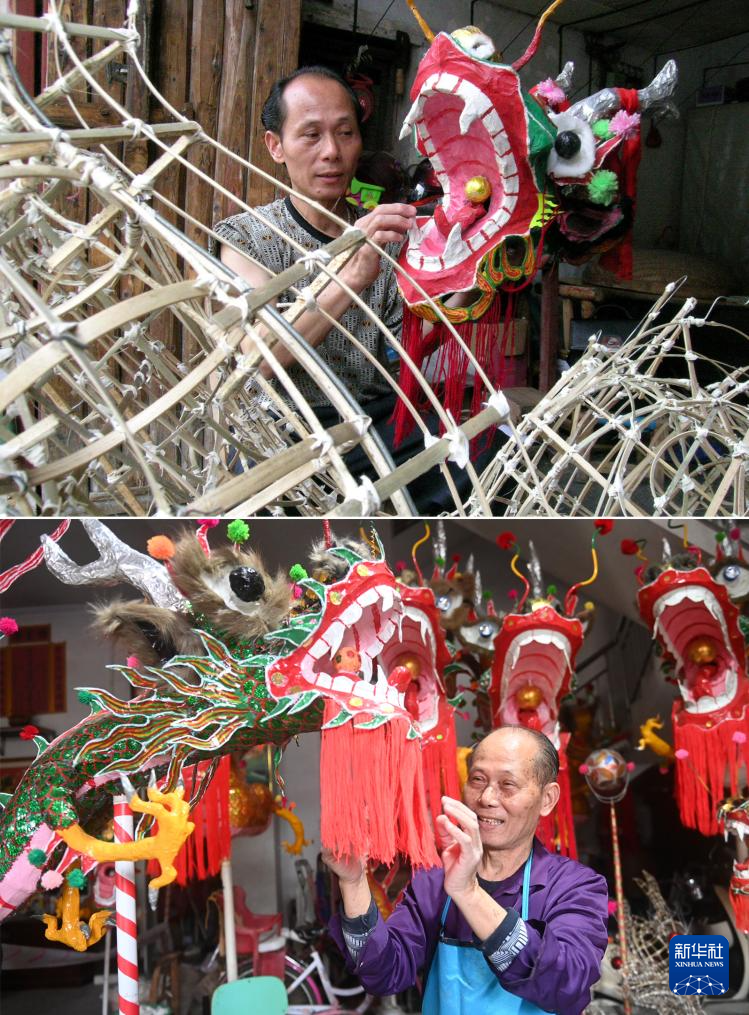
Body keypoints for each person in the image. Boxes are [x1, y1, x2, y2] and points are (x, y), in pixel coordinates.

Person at [212, 66, 502, 513]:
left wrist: (475, 275)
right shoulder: (244, 238)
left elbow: (413, 339)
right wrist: (350, 277)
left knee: (488, 457)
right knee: (275, 503)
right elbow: (256, 359)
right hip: (284, 429)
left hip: (372, 420)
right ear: (276, 146)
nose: (332, 151)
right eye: (311, 135)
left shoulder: (386, 235)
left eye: (345, 133)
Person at [325, 726, 609, 1015]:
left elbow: (566, 984)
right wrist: (353, 882)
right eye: (478, 779)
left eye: (508, 784)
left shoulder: (574, 887)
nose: (487, 797)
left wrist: (469, 893)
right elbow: (383, 975)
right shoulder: (433, 883)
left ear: (547, 799)